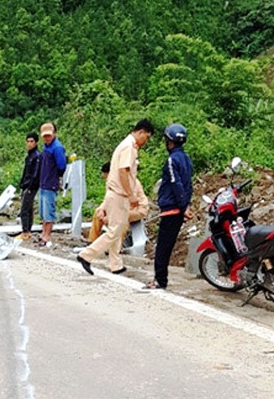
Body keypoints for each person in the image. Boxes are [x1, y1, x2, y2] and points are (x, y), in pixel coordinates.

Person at [77, 119, 154, 275]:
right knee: (115, 231)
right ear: (141, 132)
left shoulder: (125, 145)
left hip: (115, 194)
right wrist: (131, 195)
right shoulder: (129, 147)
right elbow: (123, 172)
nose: (146, 141)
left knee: (116, 230)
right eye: (147, 137)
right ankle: (86, 255)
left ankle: (116, 264)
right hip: (120, 194)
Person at [145, 124, 194, 290]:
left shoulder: (172, 160)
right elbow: (189, 184)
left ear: (169, 141)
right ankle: (160, 279)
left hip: (171, 209)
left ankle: (160, 280)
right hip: (178, 209)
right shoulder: (186, 159)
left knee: (163, 247)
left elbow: (176, 183)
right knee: (166, 245)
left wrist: (183, 206)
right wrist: (186, 204)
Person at [88, 162, 149, 244]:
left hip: (135, 209)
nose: (103, 176)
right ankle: (92, 241)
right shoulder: (111, 182)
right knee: (98, 212)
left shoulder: (129, 182)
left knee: (120, 220)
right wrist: (102, 209)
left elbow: (126, 202)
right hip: (120, 208)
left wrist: (110, 216)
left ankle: (116, 246)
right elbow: (108, 199)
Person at [37, 122, 66, 248]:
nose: (47, 138)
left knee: (49, 212)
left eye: (49, 135)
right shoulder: (45, 147)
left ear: (54, 134)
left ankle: (47, 235)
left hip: (50, 183)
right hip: (43, 183)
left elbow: (61, 166)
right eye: (45, 136)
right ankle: (43, 233)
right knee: (43, 212)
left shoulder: (57, 148)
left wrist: (56, 178)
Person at [16, 132, 41, 242]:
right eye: (28, 141)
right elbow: (26, 172)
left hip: (31, 186)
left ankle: (25, 232)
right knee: (29, 208)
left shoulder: (36, 156)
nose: (29, 143)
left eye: (32, 141)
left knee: (24, 209)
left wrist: (30, 186)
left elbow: (36, 173)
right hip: (26, 185)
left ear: (36, 143)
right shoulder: (29, 156)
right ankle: (28, 231)